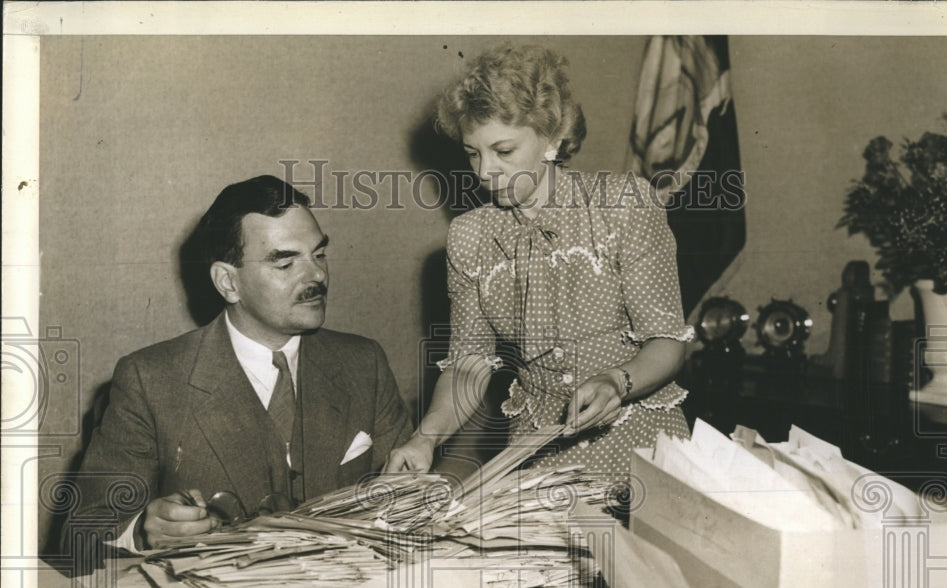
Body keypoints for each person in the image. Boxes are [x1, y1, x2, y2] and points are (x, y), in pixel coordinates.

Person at [387, 44, 693, 480]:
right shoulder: (470, 237)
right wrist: (426, 437)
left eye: (504, 151)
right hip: (536, 452)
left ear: (551, 139)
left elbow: (668, 341)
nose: (484, 171)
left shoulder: (622, 206)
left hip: (637, 441)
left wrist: (615, 382)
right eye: (473, 152)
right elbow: (468, 365)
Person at [63, 175, 412, 554]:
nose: (316, 275)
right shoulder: (150, 380)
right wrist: (141, 532)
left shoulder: (364, 364)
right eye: (285, 262)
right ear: (228, 283)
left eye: (319, 254)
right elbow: (78, 540)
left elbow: (413, 506)